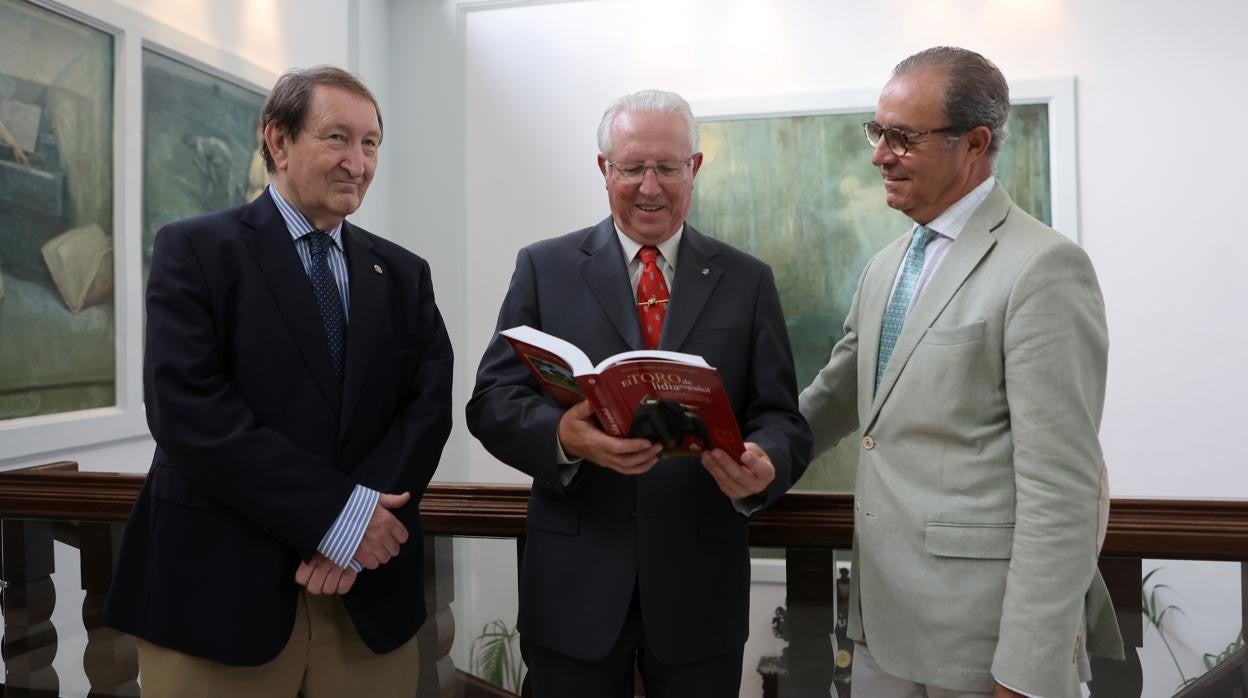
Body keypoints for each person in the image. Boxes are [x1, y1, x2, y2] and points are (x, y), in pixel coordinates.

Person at [104, 66, 453, 697]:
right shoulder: (196, 251)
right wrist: (338, 520)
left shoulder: (403, 274)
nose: (358, 162)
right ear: (279, 141)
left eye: (371, 142)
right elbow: (189, 412)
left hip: (366, 604)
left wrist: (357, 536)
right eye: (337, 138)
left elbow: (427, 409)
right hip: (217, 602)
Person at [799, 47, 1122, 698]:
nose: (879, 155)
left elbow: (1062, 492)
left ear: (974, 143)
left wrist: (1029, 672)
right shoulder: (887, 265)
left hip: (987, 646)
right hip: (881, 629)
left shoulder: (1044, 269)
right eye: (877, 131)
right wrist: (742, 452)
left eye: (903, 137)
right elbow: (836, 398)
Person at [467, 89, 812, 697]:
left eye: (668, 168)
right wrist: (562, 438)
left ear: (694, 169)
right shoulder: (544, 268)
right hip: (572, 586)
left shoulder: (747, 280)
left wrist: (767, 463)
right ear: (605, 170)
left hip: (699, 588)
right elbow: (491, 400)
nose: (649, 186)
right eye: (632, 168)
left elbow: (781, 416)